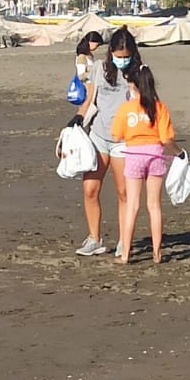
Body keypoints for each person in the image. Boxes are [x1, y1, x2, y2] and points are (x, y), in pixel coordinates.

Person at [75, 28, 136, 257]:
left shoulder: (137, 72)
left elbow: (146, 104)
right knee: (90, 188)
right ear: (110, 52)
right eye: (118, 56)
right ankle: (94, 238)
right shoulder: (99, 69)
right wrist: (78, 118)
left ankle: (124, 240)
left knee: (123, 192)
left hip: (123, 140)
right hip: (98, 136)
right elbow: (90, 99)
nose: (122, 61)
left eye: (125, 57)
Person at [110, 65, 179, 265]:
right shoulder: (159, 107)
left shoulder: (125, 108)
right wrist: (179, 153)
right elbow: (167, 139)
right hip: (156, 154)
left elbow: (115, 136)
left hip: (134, 155)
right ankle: (157, 253)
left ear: (133, 87)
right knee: (154, 206)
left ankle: (125, 254)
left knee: (132, 206)